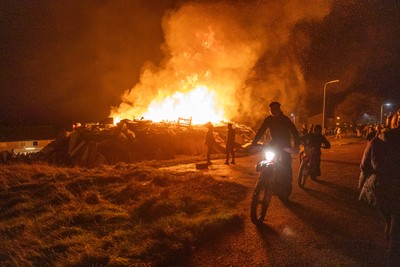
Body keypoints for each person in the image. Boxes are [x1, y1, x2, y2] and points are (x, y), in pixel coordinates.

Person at [359, 114, 400, 266]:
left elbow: (364, 165)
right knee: (396, 226)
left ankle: (390, 242)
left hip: (381, 189)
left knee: (389, 219)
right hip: (394, 189)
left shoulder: (378, 140)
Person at [251, 101, 300, 200]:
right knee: (265, 159)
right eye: (271, 110)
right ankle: (263, 180)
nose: (273, 111)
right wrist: (254, 142)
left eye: (275, 109)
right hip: (273, 143)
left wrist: (296, 146)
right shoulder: (268, 119)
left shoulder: (285, 119)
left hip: (285, 144)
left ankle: (286, 185)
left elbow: (294, 131)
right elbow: (261, 130)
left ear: (279, 109)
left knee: (285, 165)